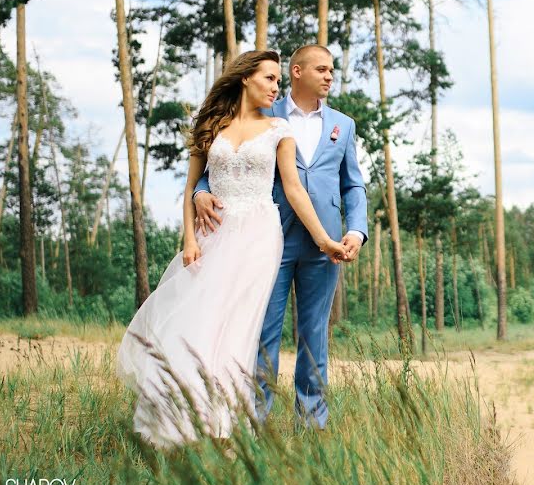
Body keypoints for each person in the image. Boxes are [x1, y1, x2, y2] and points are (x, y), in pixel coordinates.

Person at [116, 50, 347, 448]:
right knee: (201, 322)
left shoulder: (279, 129)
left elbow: (293, 189)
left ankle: (228, 430)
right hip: (214, 236)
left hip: (260, 236)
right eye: (269, 79)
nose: (276, 88)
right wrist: (189, 239)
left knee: (242, 329)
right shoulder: (210, 125)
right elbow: (192, 187)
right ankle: (184, 417)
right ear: (245, 78)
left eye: (278, 80)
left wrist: (325, 239)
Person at [193, 44, 368, 430]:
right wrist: (199, 192)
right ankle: (254, 422)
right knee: (261, 331)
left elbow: (353, 185)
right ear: (296, 72)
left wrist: (355, 229)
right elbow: (221, 158)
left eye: (332, 70)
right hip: (268, 239)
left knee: (314, 336)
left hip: (327, 245)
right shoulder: (263, 111)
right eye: (322, 69)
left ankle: (312, 424)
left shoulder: (344, 124)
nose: (329, 76)